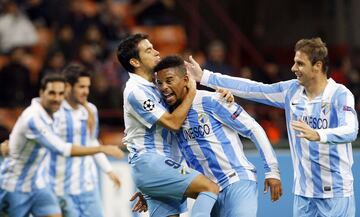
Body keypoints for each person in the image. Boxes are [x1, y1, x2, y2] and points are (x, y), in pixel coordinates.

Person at [187, 37, 358, 217]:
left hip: (336, 193)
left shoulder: (339, 94)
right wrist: (205, 77)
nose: (293, 69)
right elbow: (253, 89)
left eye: (300, 64)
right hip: (304, 195)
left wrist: (318, 134)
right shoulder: (291, 91)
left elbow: (351, 130)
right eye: (294, 62)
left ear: (317, 65)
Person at [152, 55, 282, 216]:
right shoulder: (169, 117)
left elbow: (253, 129)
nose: (163, 87)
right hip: (208, 192)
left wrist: (272, 170)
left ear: (185, 79)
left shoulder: (212, 100)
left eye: (169, 80)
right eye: (159, 83)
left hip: (236, 181)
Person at [117, 33, 219, 217]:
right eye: (149, 50)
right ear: (135, 62)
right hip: (151, 163)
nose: (157, 52)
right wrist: (192, 91)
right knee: (209, 188)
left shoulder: (155, 85)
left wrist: (222, 93)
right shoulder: (135, 91)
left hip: (161, 167)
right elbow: (173, 123)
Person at [0, 73, 123, 217]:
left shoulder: (53, 113)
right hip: (14, 184)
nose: (57, 99)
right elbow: (62, 148)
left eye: (60, 94)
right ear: (41, 93)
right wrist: (102, 148)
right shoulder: (33, 118)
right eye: (52, 93)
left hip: (38, 184)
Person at [50, 64, 122, 217]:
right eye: (81, 87)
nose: (86, 91)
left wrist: (109, 170)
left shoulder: (90, 110)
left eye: (88, 87)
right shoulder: (55, 112)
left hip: (88, 186)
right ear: (68, 87)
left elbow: (92, 142)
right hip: (62, 187)